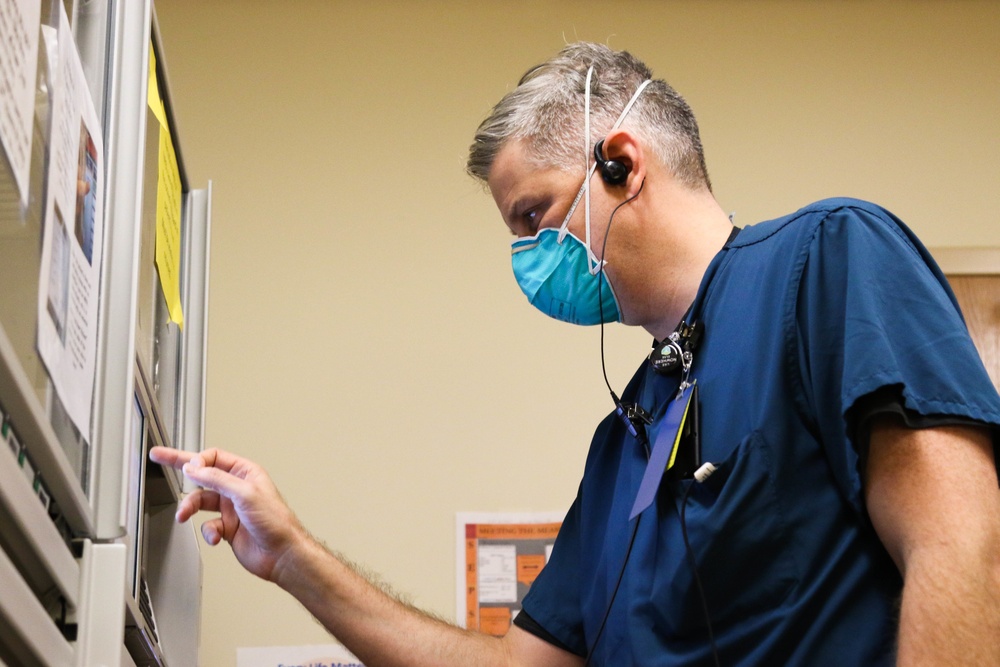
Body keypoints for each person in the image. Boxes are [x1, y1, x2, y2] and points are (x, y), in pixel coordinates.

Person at [151, 42, 1000, 666]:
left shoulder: (827, 262)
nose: (526, 256)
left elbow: (960, 542)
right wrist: (293, 555)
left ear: (621, 164)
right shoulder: (627, 432)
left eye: (532, 217)